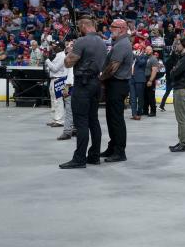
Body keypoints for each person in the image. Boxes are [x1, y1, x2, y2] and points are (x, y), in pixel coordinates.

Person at [59, 18, 107, 169]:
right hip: (96, 83)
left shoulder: (81, 41)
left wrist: (69, 52)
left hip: (83, 83)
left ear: (85, 26)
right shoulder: (102, 42)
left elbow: (68, 62)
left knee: (81, 122)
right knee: (93, 120)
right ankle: (94, 156)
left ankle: (79, 158)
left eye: (80, 27)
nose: (79, 30)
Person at [99, 18, 133, 163]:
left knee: (116, 120)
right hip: (115, 84)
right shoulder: (119, 43)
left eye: (113, 27)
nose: (110, 29)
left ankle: (119, 151)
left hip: (118, 84)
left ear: (121, 29)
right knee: (111, 119)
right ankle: (113, 147)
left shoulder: (122, 45)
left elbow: (113, 67)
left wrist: (100, 78)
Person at [168, 38, 185, 152]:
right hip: (179, 89)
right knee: (180, 119)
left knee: (182, 119)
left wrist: (173, 70)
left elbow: (174, 72)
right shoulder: (183, 58)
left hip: (181, 90)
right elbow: (172, 70)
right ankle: (181, 142)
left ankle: (184, 144)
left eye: (178, 44)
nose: (177, 46)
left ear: (184, 46)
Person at [45, 43, 69, 128]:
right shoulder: (57, 55)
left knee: (58, 101)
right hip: (53, 79)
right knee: (53, 100)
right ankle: (55, 119)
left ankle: (60, 120)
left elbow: (55, 68)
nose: (55, 47)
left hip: (59, 79)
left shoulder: (62, 56)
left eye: (57, 46)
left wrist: (47, 60)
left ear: (61, 48)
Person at [130, 45, 148, 120]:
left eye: (138, 48)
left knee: (140, 98)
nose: (136, 49)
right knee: (132, 98)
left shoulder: (144, 56)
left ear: (142, 50)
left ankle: (139, 112)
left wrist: (136, 56)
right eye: (135, 48)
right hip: (131, 78)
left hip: (140, 79)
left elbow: (141, 63)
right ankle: (134, 114)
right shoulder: (132, 56)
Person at [159, 44, 178, 112]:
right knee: (175, 93)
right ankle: (176, 107)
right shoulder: (175, 62)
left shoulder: (167, 61)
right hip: (173, 79)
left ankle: (161, 105)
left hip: (168, 79)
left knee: (167, 92)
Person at [143, 46, 160, 117]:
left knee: (151, 96)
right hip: (144, 78)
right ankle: (145, 111)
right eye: (146, 49)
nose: (147, 51)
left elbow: (154, 70)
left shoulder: (153, 59)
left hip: (150, 78)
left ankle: (153, 111)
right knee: (145, 96)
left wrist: (150, 80)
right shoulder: (144, 57)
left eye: (149, 50)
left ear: (152, 51)